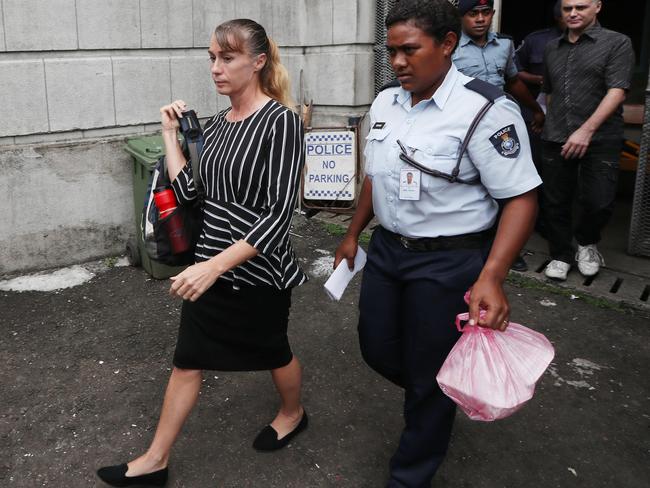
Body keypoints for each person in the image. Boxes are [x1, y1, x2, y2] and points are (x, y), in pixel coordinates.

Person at [334, 1, 541, 486]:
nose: (398, 62)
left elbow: (522, 198)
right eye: (391, 51)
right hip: (388, 251)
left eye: (410, 50)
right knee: (376, 346)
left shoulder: (486, 109)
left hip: (449, 262)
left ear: (447, 45)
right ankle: (440, 390)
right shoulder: (387, 101)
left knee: (428, 372)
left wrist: (492, 276)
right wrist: (352, 233)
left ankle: (411, 472)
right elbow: (376, 176)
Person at [97, 18, 307, 487]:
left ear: (258, 62)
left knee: (274, 350)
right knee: (187, 358)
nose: (216, 68)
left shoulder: (282, 123)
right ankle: (155, 460)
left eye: (227, 58)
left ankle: (293, 412)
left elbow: (278, 216)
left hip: (258, 270)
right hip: (209, 266)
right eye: (212, 57)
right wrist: (170, 135)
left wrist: (213, 266)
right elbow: (190, 192)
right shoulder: (213, 126)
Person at [541, 0, 634, 281]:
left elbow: (617, 91)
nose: (572, 13)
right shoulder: (551, 48)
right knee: (555, 201)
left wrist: (586, 130)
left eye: (580, 7)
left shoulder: (617, 43)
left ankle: (587, 242)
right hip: (556, 135)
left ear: (597, 6)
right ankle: (560, 253)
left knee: (599, 201)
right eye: (568, 8)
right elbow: (550, 92)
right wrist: (551, 122)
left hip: (601, 136)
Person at [452, 0, 545, 272]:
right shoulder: (450, 47)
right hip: (463, 125)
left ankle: (505, 248)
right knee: (472, 187)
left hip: (499, 125)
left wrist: (535, 109)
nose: (480, 19)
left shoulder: (504, 45)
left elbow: (512, 80)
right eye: (473, 14)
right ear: (461, 18)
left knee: (508, 189)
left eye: (485, 13)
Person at [515, 0, 566, 237]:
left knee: (559, 176)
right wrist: (538, 81)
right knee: (534, 167)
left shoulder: (602, 44)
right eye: (566, 13)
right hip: (535, 113)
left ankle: (553, 223)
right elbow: (514, 72)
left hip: (568, 119)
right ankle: (534, 220)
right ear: (558, 17)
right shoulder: (537, 40)